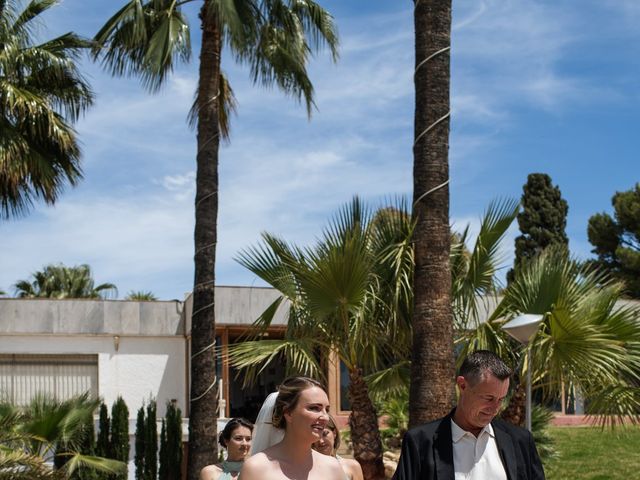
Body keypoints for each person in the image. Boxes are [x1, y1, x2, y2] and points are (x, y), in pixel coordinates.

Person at [393, 350, 545, 480]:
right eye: (488, 398)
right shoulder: (420, 442)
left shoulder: (521, 441)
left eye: (501, 399)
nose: (495, 408)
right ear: (462, 385)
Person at [240, 376, 345, 480]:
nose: (325, 417)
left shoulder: (333, 468)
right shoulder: (256, 469)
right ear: (289, 413)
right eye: (314, 408)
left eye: (326, 409)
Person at [312, 413, 364, 480]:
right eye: (316, 437)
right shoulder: (307, 468)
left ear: (334, 433)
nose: (321, 441)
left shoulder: (352, 466)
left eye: (325, 434)